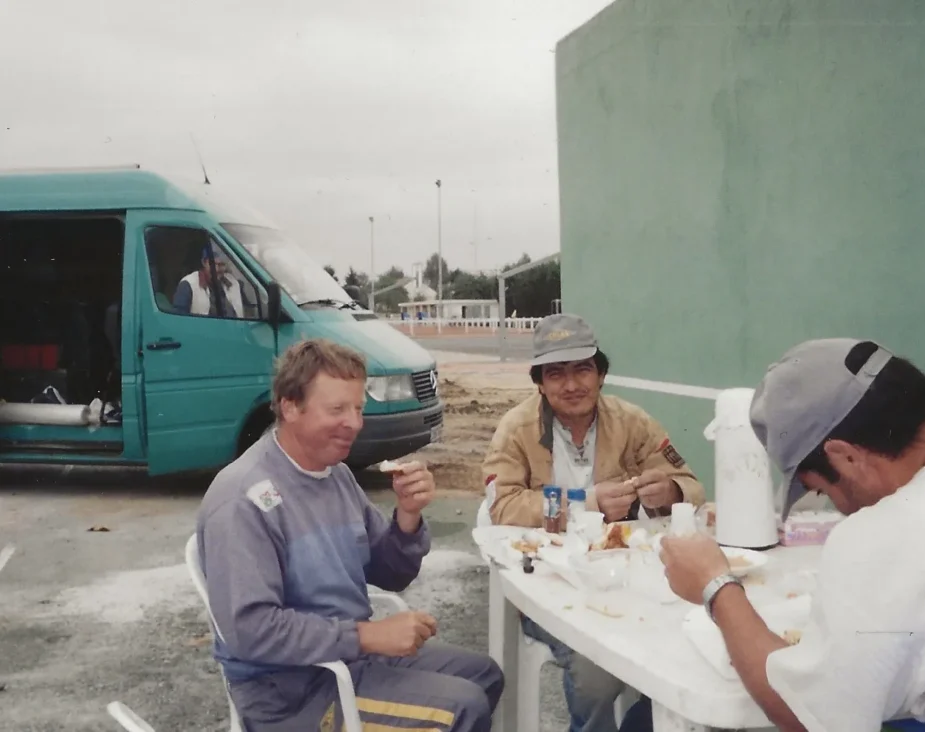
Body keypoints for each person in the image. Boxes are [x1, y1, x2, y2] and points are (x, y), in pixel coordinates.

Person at [660, 338, 925, 732]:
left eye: (824, 491)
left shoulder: (887, 533)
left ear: (846, 457)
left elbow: (808, 716)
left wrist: (716, 586)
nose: (842, 508)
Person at [196, 338, 504, 732]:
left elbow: (390, 573)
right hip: (288, 693)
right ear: (290, 406)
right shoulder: (244, 498)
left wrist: (407, 516)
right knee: (463, 708)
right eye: (337, 409)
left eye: (358, 408)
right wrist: (366, 636)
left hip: (348, 658)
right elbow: (251, 632)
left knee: (485, 675)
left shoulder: (336, 474)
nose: (355, 423)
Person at [482, 313, 705, 732]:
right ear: (540, 383)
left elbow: (691, 486)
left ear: (601, 373)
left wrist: (670, 493)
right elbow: (503, 506)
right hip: (549, 584)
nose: (571, 385)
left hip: (627, 579)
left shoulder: (632, 421)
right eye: (556, 373)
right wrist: (585, 502)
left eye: (583, 369)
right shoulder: (516, 429)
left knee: (683, 644)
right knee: (597, 675)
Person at [173, 244, 245, 318]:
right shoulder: (188, 284)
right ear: (204, 263)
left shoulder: (233, 283)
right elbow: (179, 319)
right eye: (213, 264)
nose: (216, 269)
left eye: (221, 265)